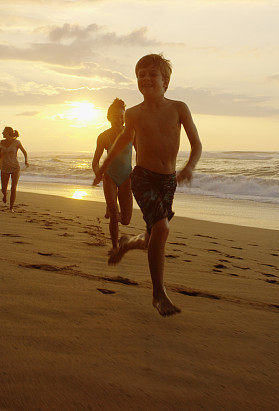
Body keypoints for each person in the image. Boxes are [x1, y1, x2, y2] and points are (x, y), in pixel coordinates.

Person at [93, 54, 202, 317]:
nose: (146, 78)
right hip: (142, 178)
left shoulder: (179, 108)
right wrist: (103, 168)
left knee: (154, 236)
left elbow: (196, 144)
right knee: (162, 229)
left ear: (166, 81)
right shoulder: (133, 114)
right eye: (141, 74)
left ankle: (130, 243)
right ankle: (158, 293)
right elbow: (121, 142)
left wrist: (189, 167)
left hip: (168, 181)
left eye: (152, 74)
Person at [91, 98, 133, 250]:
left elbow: (142, 155)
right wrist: (98, 173)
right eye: (115, 116)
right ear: (109, 117)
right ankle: (115, 247)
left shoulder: (131, 133)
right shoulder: (103, 136)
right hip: (110, 178)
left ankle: (111, 209)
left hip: (126, 178)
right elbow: (95, 161)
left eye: (122, 116)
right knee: (115, 215)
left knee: (126, 220)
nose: (119, 119)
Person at [0, 127, 28, 212]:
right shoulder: (1, 142)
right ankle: (5, 195)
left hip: (15, 167)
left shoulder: (17, 142)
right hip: (4, 167)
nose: (2, 133)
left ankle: (11, 208)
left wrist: (26, 161)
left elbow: (24, 152)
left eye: (4, 132)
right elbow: (0, 153)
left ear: (8, 133)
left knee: (13, 188)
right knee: (3, 189)